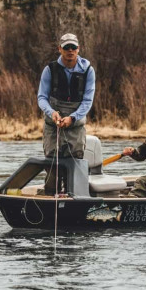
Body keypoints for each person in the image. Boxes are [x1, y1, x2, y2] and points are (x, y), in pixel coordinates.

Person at [37, 33, 96, 194]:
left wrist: (72, 117)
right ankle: (50, 197)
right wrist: (51, 113)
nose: (70, 51)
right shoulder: (50, 70)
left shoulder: (88, 71)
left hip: (75, 128)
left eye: (73, 47)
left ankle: (73, 200)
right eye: (66, 48)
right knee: (52, 170)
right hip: (52, 127)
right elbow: (41, 98)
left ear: (78, 49)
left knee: (75, 168)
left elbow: (87, 101)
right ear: (60, 49)